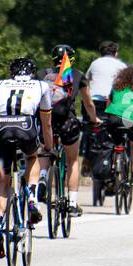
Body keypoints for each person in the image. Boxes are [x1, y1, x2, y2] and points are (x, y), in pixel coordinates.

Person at [0, 56, 54, 257]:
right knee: (33, 157)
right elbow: (46, 123)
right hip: (25, 126)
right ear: (32, 72)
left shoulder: (0, 84)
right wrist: (48, 147)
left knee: (3, 181)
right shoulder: (41, 85)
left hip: (1, 127)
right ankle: (32, 199)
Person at [40, 43, 100, 216]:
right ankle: (72, 203)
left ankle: (43, 176)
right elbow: (88, 103)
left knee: (45, 151)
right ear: (71, 59)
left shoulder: (42, 74)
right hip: (67, 122)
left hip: (47, 121)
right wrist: (95, 119)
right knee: (72, 160)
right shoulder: (77, 75)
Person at [102, 63, 133, 181]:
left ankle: (110, 167)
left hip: (114, 118)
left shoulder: (117, 86)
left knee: (112, 142)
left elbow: (108, 103)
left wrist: (108, 115)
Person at [84, 41, 126, 112]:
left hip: (94, 100)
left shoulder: (94, 63)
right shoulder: (121, 65)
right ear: (115, 53)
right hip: (112, 102)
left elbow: (86, 81)